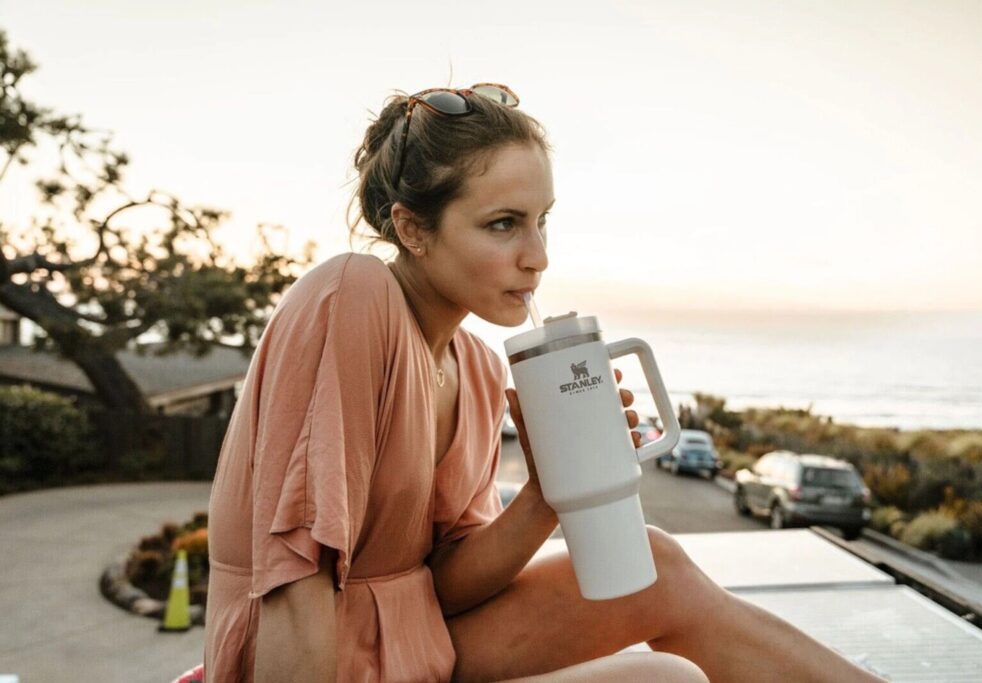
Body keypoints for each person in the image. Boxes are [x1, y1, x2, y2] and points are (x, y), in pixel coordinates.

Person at [202, 83, 883, 683]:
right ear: (411, 228)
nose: (538, 257)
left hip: (417, 643)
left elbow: (448, 581)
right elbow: (298, 578)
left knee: (658, 566)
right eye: (503, 224)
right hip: (317, 660)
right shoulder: (355, 296)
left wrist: (550, 490)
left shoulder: (477, 363)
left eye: (541, 219)